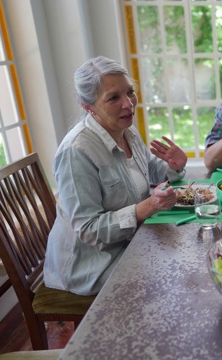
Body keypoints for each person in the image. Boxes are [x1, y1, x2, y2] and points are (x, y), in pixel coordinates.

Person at [44, 56, 188, 296]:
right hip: (92, 266)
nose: (128, 104)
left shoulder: (126, 129)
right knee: (174, 277)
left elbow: (149, 170)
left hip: (130, 242)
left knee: (185, 256)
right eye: (113, 98)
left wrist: (174, 166)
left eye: (130, 92)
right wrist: (148, 206)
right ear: (88, 106)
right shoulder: (75, 152)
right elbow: (89, 229)